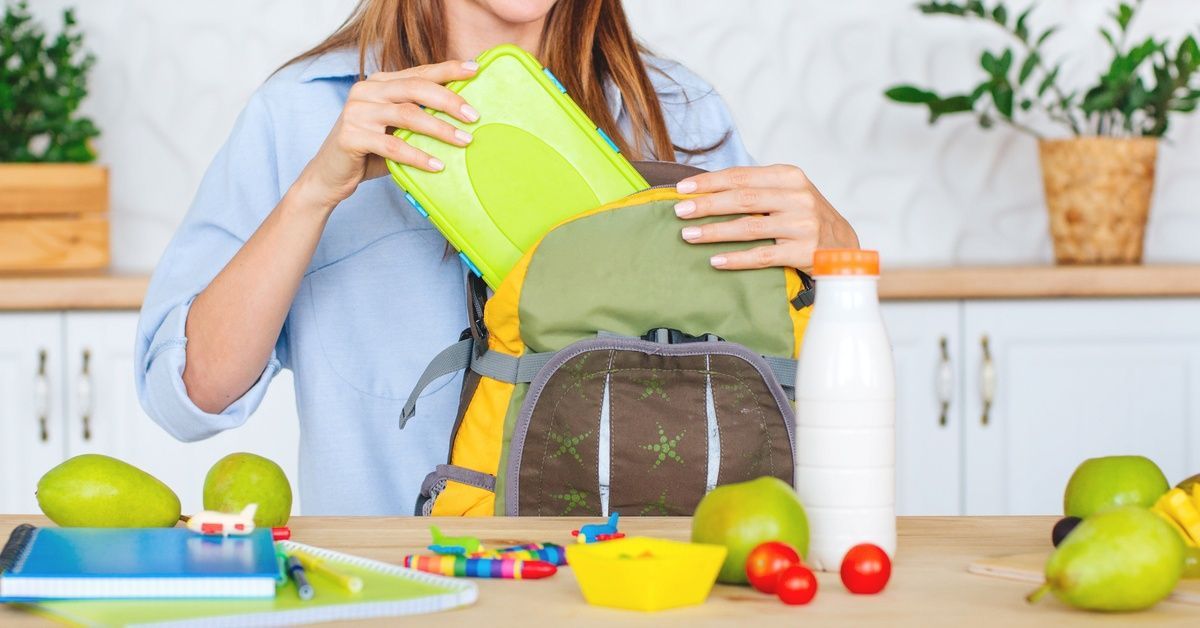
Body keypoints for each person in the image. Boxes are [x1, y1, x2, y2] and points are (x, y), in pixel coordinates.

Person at [135, 0, 859, 515]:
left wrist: (838, 255)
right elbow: (191, 398)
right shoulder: (299, 114)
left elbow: (782, 379)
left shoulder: (680, 113)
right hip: (390, 590)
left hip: (625, 587)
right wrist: (312, 195)